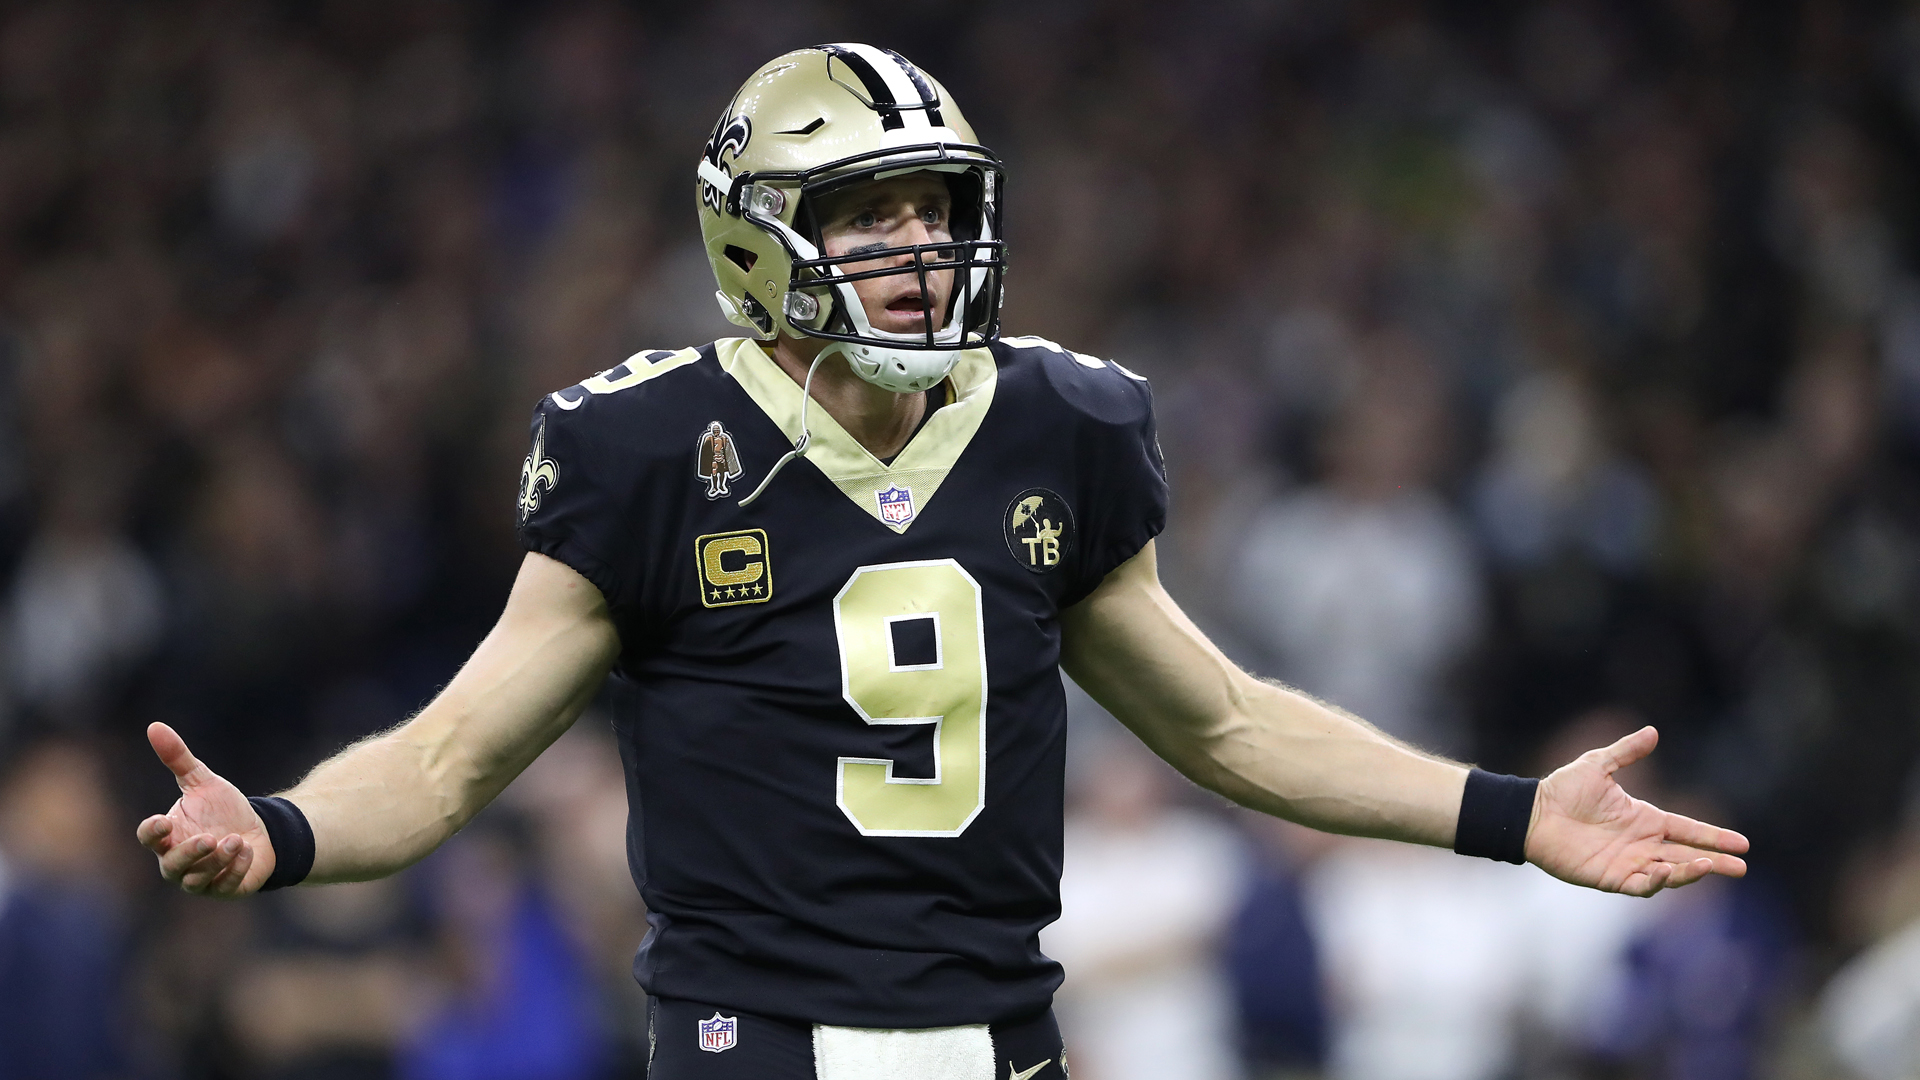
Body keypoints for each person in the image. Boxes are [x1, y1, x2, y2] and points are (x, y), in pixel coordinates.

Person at [135, 44, 1749, 1080]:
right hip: (752, 1042)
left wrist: (1511, 816)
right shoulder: (648, 454)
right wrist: (278, 831)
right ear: (758, 239)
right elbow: (445, 761)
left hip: (1004, 1039)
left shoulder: (1060, 424)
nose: (920, 250)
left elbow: (1230, 725)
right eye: (871, 213)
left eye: (939, 207)